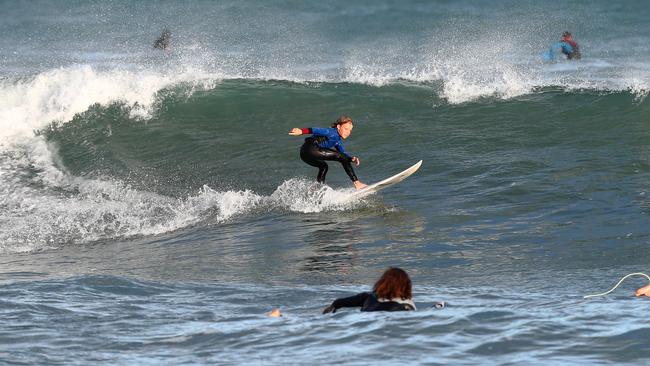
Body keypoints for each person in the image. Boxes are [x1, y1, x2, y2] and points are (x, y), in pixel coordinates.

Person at [289, 115, 367, 189]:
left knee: (324, 167)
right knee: (342, 157)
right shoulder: (331, 132)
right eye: (346, 129)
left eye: (350, 130)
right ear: (338, 127)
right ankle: (357, 183)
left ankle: (319, 189)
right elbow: (315, 130)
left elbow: (344, 154)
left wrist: (351, 159)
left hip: (304, 154)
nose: (348, 132)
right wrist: (301, 131)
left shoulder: (337, 141)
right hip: (311, 148)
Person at [322, 267, 416, 313]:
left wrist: (332, 306)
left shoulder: (368, 297)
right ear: (406, 286)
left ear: (382, 283)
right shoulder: (405, 306)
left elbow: (339, 302)